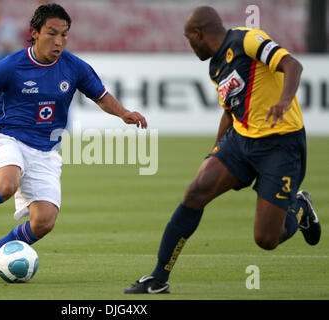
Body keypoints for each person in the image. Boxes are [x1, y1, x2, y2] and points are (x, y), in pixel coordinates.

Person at [0, 3, 147, 281]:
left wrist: (124, 113)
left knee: (43, 223)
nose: (59, 41)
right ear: (35, 33)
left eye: (64, 34)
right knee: (5, 185)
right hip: (8, 139)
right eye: (52, 33)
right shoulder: (12, 65)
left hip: (45, 152)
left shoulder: (74, 67)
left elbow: (101, 96)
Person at [124, 6, 321, 294]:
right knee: (195, 192)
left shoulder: (248, 40)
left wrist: (285, 101)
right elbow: (230, 113)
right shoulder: (216, 67)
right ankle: (158, 278)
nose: (190, 46)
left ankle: (299, 208)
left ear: (198, 34)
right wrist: (215, 151)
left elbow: (293, 65)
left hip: (280, 145)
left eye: (188, 39)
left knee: (266, 238)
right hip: (241, 141)